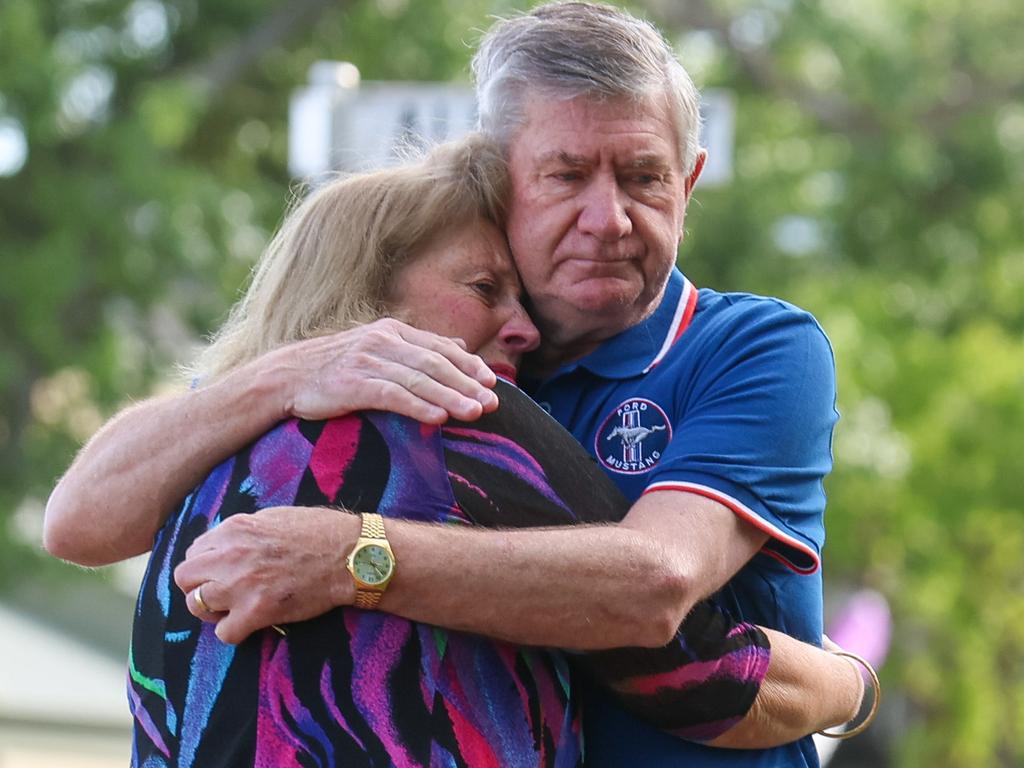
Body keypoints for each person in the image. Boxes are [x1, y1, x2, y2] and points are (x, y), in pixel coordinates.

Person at [45, 3, 871, 766]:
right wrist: (295, 370)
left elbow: (652, 590)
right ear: (502, 177)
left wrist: (353, 558)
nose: (609, 217)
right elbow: (79, 520)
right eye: (566, 174)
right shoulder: (394, 385)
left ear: (688, 184)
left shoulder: (755, 346)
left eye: (644, 177)